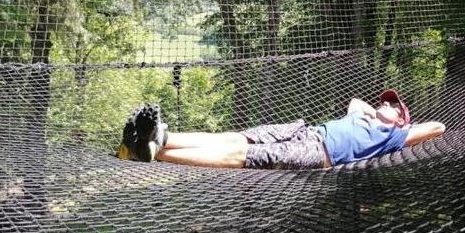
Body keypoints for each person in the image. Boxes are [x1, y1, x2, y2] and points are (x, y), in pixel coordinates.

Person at [116, 89, 446, 170]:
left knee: (242, 155)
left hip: (318, 153)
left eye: (392, 105)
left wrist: (399, 124)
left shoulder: (393, 137)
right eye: (384, 102)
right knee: (236, 137)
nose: (384, 104)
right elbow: (357, 102)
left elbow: (438, 126)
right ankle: (159, 137)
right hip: (306, 131)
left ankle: (156, 154)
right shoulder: (363, 117)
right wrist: (379, 112)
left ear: (401, 120)